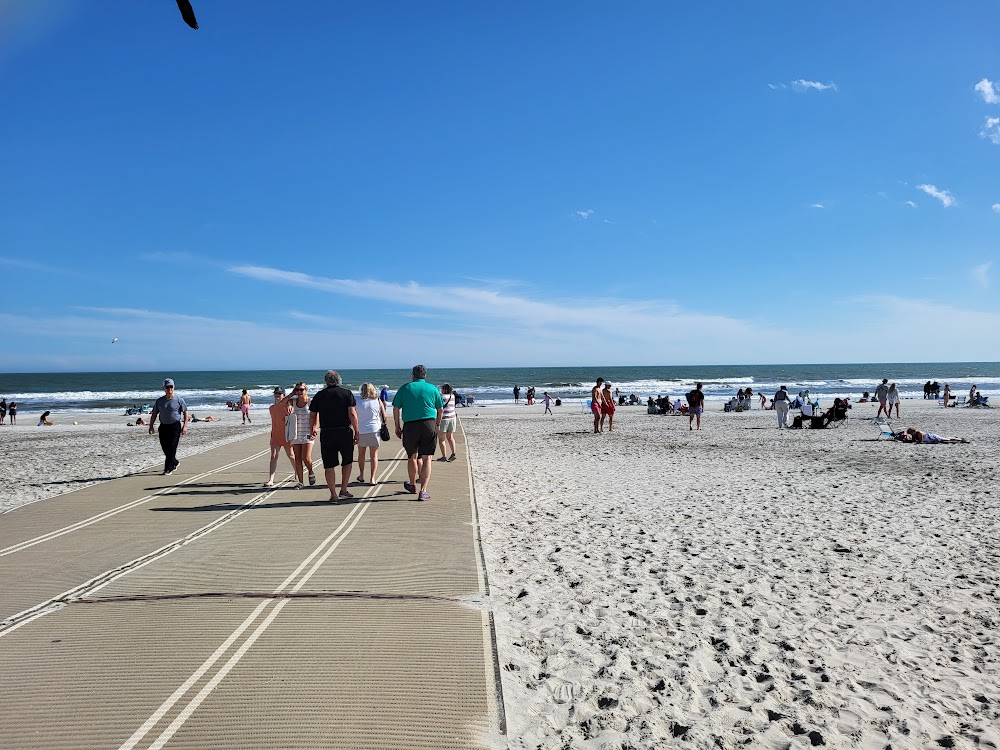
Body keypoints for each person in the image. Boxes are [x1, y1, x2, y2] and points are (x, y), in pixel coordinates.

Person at [392, 364, 443, 502]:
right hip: (429, 424)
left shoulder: (405, 388)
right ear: (425, 375)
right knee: (427, 458)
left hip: (410, 425)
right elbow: (440, 409)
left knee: (412, 456)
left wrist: (397, 426)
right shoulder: (432, 388)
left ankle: (412, 483)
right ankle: (423, 490)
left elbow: (396, 408)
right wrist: (437, 424)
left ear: (413, 375)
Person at [310, 370, 359, 501]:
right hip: (344, 431)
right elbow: (352, 414)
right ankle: (343, 488)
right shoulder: (346, 393)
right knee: (347, 461)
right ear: (338, 380)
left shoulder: (319, 395)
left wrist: (312, 428)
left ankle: (333, 494)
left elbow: (313, 414)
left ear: (326, 381)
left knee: (329, 464)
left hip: (327, 432)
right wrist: (357, 431)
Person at [149, 378, 188, 475]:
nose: (169, 389)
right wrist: (151, 426)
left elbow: (185, 412)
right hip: (163, 427)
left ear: (174, 387)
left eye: (171, 387)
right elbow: (154, 414)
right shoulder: (159, 401)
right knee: (165, 447)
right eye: (167, 387)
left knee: (172, 447)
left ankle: (168, 468)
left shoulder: (179, 400)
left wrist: (185, 426)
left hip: (175, 427)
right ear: (164, 388)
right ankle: (174, 462)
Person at [284, 382, 317, 489]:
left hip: (307, 431)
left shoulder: (311, 402)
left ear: (306, 390)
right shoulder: (292, 401)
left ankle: (311, 471)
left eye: (301, 390)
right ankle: (300, 482)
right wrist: (290, 396)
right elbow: (281, 403)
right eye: (297, 390)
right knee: (297, 458)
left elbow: (316, 416)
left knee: (306, 457)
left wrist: (314, 429)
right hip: (295, 432)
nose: (299, 392)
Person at [356, 382, 387, 484]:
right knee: (374, 455)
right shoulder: (377, 401)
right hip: (374, 430)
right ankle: (372, 478)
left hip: (361, 430)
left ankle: (361, 475)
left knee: (361, 454)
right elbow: (384, 416)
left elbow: (353, 415)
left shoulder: (357, 402)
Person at [266, 387, 294, 487]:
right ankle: (271, 479)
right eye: (276, 393)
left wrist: (290, 405)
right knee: (273, 456)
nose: (277, 395)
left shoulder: (289, 408)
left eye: (279, 393)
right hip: (275, 436)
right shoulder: (271, 408)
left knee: (291, 456)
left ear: (283, 395)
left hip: (286, 436)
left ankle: (297, 473)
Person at [436, 383, 458, 461]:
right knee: (450, 437)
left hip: (444, 419)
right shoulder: (452, 396)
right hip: (452, 418)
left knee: (441, 439)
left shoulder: (442, 397)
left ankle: (444, 456)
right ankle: (453, 453)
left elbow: (439, 408)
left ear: (444, 390)